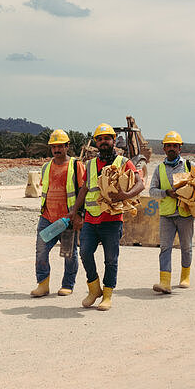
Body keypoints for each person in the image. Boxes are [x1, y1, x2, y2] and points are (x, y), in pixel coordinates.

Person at [70, 123, 145, 311]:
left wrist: (125, 196)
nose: (103, 142)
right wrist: (75, 210)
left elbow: (140, 184)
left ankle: (108, 294)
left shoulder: (123, 162)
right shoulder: (90, 165)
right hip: (91, 219)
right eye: (100, 139)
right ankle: (94, 289)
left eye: (107, 139)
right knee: (85, 253)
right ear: (96, 142)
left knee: (111, 259)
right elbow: (85, 189)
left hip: (112, 221)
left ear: (113, 141)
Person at [30, 129, 85, 297]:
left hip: (68, 219)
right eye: (54, 147)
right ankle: (43, 284)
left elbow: (83, 190)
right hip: (47, 218)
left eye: (60, 146)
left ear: (67, 146)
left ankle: (68, 284)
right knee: (41, 250)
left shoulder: (76, 166)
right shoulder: (46, 167)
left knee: (69, 253)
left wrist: (79, 214)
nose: (56, 150)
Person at [149, 130, 195, 294]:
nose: (171, 148)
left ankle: (185, 276)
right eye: (168, 146)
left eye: (174, 146)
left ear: (180, 148)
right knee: (165, 248)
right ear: (164, 149)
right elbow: (152, 191)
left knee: (186, 247)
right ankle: (165, 282)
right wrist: (166, 193)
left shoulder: (189, 166)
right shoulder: (159, 169)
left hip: (185, 214)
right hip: (167, 215)